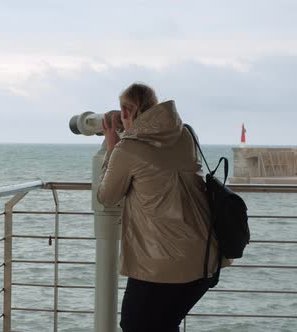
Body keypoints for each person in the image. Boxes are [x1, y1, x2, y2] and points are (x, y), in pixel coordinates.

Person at [97, 83, 221, 331]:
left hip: (160, 265)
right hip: (205, 257)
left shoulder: (127, 149)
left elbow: (106, 196)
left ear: (124, 112)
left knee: (134, 324)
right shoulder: (185, 135)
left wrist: (112, 147)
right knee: (164, 324)